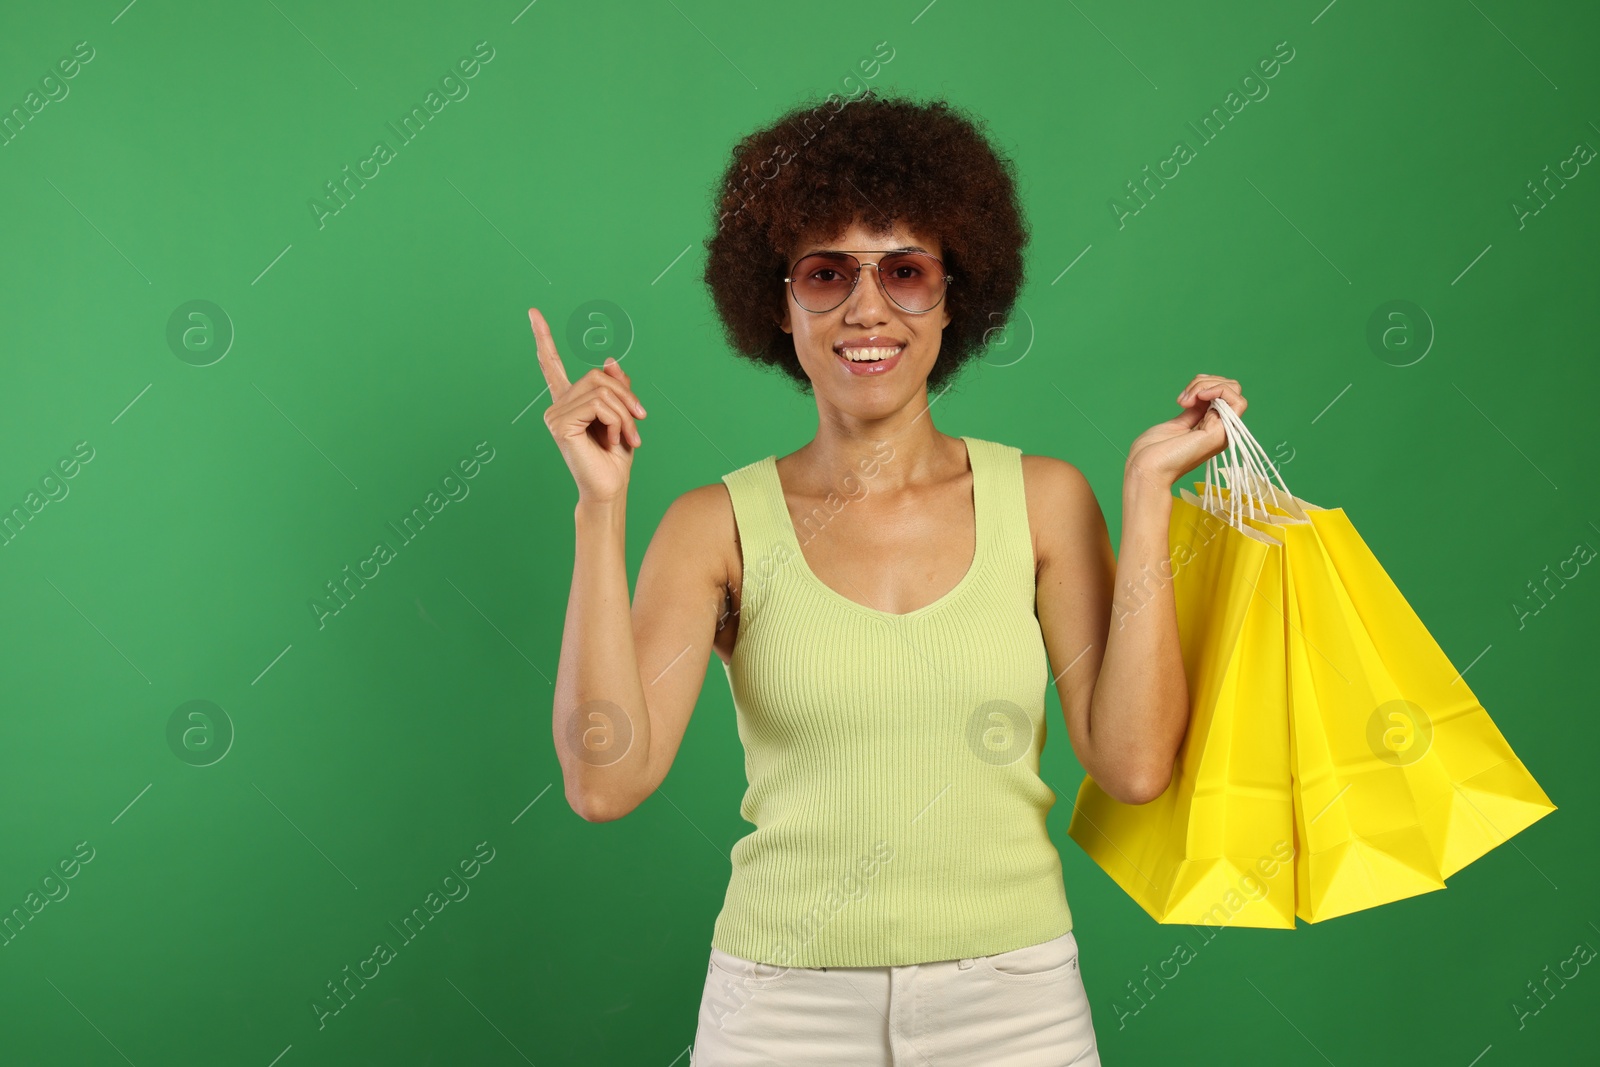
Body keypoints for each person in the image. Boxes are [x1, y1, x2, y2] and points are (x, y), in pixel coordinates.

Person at [534, 89, 1248, 1066]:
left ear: (955, 294)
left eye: (904, 271)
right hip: (776, 1012)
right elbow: (603, 783)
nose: (866, 308)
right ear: (779, 305)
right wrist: (598, 508)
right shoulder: (714, 525)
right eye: (826, 272)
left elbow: (1130, 766)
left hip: (1015, 1009)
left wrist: (1146, 495)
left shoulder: (1043, 500)